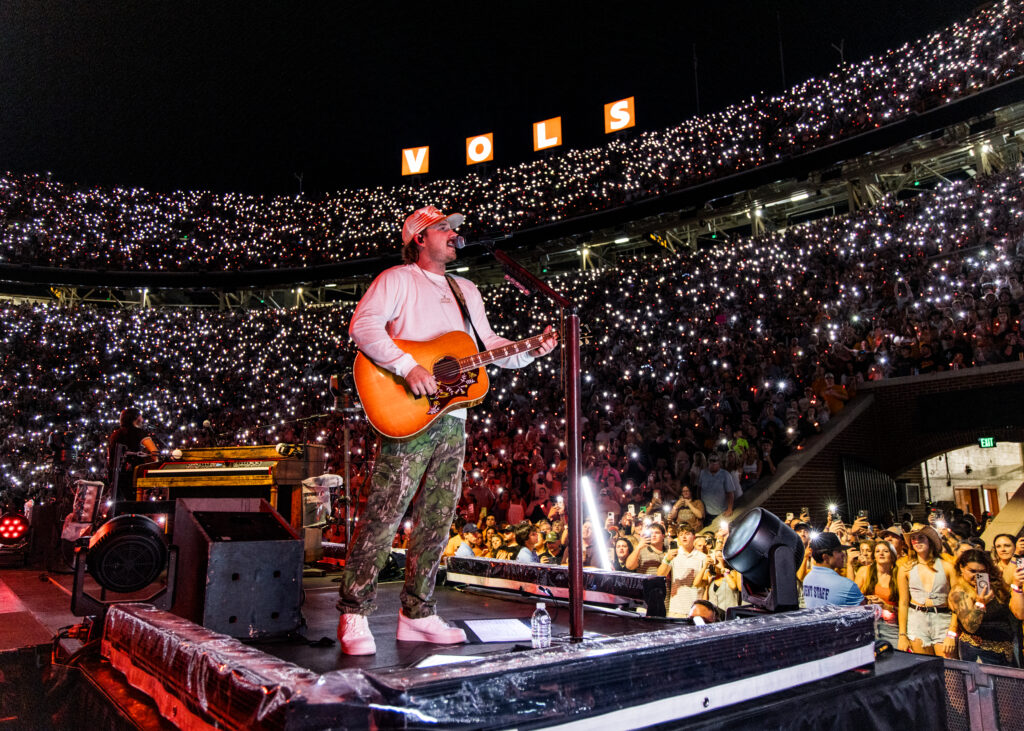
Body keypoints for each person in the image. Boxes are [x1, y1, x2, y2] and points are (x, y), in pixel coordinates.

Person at [336, 205, 557, 655]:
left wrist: (531, 348)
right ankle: (354, 611)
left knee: (437, 518)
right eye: (445, 228)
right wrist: (407, 365)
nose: (455, 235)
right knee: (386, 512)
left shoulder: (466, 288)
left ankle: (417, 613)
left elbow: (487, 346)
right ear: (420, 238)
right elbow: (364, 327)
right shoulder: (397, 279)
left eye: (456, 229)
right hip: (409, 413)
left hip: (453, 418)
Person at [950, 549, 1024, 666]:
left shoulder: (994, 585)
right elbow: (970, 627)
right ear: (961, 568)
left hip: (1007, 652)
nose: (976, 576)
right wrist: (980, 603)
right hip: (979, 652)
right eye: (972, 571)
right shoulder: (960, 591)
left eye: (982, 571)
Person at [897, 525, 957, 657]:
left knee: (950, 670)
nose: (917, 541)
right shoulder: (905, 568)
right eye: (913, 538)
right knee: (925, 668)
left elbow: (957, 604)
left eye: (921, 537)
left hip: (942, 620)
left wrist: (951, 633)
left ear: (929, 540)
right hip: (917, 620)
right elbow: (903, 603)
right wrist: (902, 635)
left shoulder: (947, 567)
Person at [107, 407, 159, 503]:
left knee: (118, 505)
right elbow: (155, 452)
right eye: (141, 417)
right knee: (134, 505)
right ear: (136, 418)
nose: (142, 420)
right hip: (133, 476)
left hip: (116, 476)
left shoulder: (115, 435)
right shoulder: (139, 433)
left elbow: (110, 457)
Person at [802, 533, 865, 608]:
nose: (844, 555)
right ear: (825, 557)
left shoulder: (807, 579)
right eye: (839, 551)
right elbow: (866, 612)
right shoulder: (846, 586)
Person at [659, 525, 710, 617]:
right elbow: (660, 575)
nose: (684, 536)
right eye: (681, 534)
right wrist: (667, 559)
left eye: (687, 534)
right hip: (676, 608)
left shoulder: (702, 557)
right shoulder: (673, 555)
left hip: (696, 609)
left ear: (693, 536)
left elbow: (706, 583)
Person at [857, 540, 900, 645]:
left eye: (885, 551)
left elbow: (904, 607)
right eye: (877, 551)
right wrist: (867, 600)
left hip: (890, 625)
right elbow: (853, 598)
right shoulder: (864, 571)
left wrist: (886, 606)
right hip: (868, 622)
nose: (881, 553)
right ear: (874, 556)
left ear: (893, 556)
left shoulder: (898, 575)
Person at [697, 453, 736, 525]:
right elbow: (699, 489)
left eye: (715, 461)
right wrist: (699, 505)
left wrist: (730, 509)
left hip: (721, 511)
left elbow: (730, 493)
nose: (713, 463)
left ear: (719, 462)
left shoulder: (725, 475)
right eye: (711, 461)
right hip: (706, 511)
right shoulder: (703, 473)